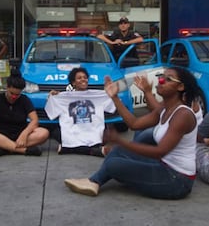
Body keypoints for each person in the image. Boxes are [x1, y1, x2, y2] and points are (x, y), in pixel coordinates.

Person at [64, 66, 200, 199]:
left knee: (113, 165)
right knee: (117, 152)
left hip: (177, 180)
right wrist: (114, 97)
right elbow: (134, 124)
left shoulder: (182, 115)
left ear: (180, 87)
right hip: (164, 165)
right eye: (161, 77)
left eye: (168, 79)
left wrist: (120, 140)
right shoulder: (165, 108)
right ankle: (94, 182)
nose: (161, 81)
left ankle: (95, 181)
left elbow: (159, 151)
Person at [45, 67, 115, 157]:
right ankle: (93, 151)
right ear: (73, 82)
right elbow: (50, 112)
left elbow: (113, 107)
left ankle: (68, 149)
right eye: (79, 78)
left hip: (92, 132)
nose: (83, 79)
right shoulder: (64, 97)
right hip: (73, 133)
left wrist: (111, 94)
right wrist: (51, 98)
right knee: (55, 132)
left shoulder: (98, 95)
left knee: (106, 132)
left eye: (85, 77)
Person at [0, 69, 49, 157]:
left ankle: (6, 148)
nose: (14, 97)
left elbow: (34, 120)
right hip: (1, 135)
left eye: (17, 94)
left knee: (44, 133)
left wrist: (24, 134)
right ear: (7, 88)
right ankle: (24, 150)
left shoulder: (24, 99)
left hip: (20, 134)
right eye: (11, 93)